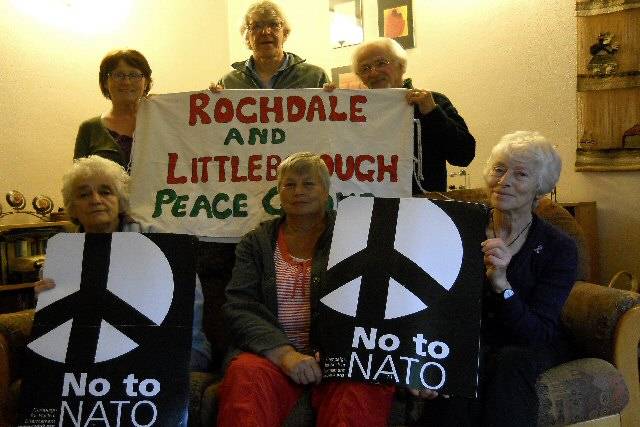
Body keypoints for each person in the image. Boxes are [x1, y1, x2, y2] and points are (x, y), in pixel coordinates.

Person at [217, 152, 395, 426]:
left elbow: (382, 300)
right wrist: (284, 354)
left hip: (341, 358)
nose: (298, 191)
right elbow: (239, 306)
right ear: (279, 192)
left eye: (308, 184)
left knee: (362, 388)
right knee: (245, 374)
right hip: (271, 357)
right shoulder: (256, 243)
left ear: (326, 192)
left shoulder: (357, 235)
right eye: (289, 184)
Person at [414, 131, 578, 426]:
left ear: (539, 187)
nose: (504, 181)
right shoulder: (459, 228)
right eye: (499, 169)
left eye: (521, 174)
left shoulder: (559, 248)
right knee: (463, 365)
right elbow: (433, 303)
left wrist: (502, 285)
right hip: (469, 340)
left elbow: (537, 333)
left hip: (528, 344)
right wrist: (426, 357)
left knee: (509, 362)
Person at [35, 156, 211, 371]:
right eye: (84, 194)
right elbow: (56, 327)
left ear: (120, 201)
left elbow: (188, 298)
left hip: (171, 344)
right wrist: (43, 299)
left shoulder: (158, 240)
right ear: (73, 209)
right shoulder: (62, 256)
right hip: (96, 349)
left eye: (106, 191)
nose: (95, 199)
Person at [351, 37, 475, 194]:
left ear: (401, 66)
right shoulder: (354, 112)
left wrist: (433, 114)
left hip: (423, 210)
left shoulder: (433, 102)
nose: (374, 72)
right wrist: (329, 100)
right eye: (365, 68)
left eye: (381, 63)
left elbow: (464, 155)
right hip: (370, 209)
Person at [214, 1, 328, 89]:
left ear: (285, 32)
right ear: (247, 35)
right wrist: (212, 101)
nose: (266, 32)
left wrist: (335, 99)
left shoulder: (315, 77)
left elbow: (334, 118)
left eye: (274, 24)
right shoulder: (228, 82)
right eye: (256, 26)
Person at [73, 49, 153, 171]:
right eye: (118, 75)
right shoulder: (89, 129)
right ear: (105, 82)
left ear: (146, 82)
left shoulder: (162, 123)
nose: (126, 82)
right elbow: (78, 180)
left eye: (134, 75)